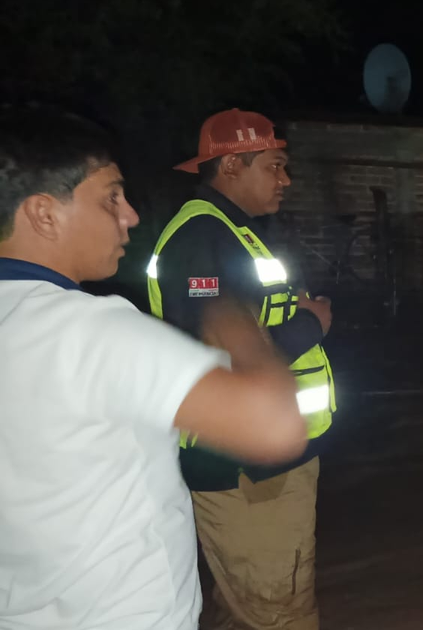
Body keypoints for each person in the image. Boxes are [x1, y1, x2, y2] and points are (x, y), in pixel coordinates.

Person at [0, 107, 308, 630]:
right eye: (111, 198)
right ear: (44, 214)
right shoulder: (89, 329)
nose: (132, 216)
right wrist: (243, 324)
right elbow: (271, 424)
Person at [145, 108, 336, 630]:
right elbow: (218, 359)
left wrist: (291, 314)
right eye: (274, 165)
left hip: (264, 459)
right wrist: (311, 326)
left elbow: (245, 325)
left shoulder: (229, 231)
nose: (286, 179)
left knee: (248, 605)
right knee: (280, 612)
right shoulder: (201, 239)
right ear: (232, 165)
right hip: (247, 467)